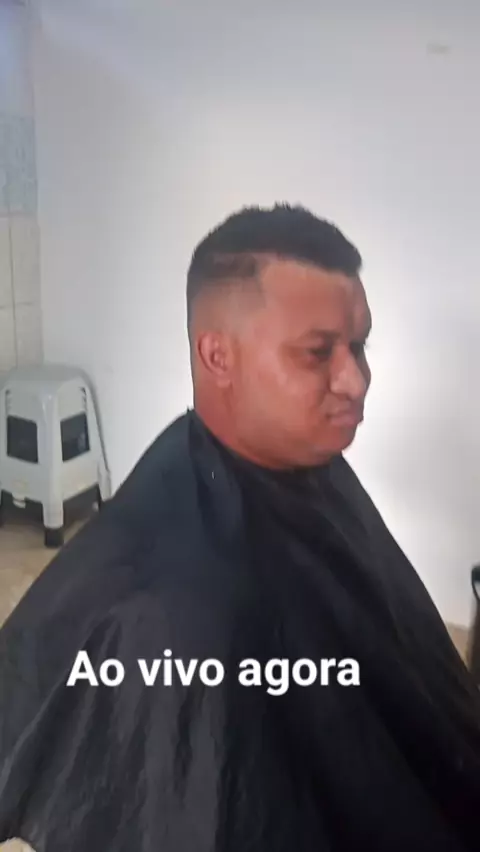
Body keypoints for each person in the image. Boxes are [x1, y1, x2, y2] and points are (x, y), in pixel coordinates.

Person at [1, 204, 479, 852]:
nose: (357, 380)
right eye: (318, 352)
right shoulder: (173, 614)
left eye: (360, 346)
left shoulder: (313, 469)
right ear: (217, 355)